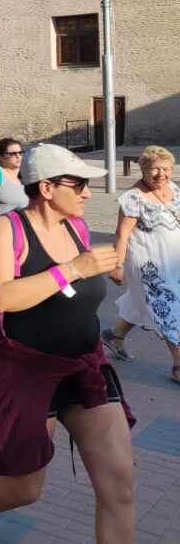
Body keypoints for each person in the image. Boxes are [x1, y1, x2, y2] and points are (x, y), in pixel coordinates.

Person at [0, 144, 131, 544]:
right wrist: (74, 269)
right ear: (46, 187)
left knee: (120, 486)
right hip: (31, 374)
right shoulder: (10, 228)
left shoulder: (77, 228)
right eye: (78, 185)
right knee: (24, 489)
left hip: (86, 370)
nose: (87, 193)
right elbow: (3, 297)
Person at [101, 145, 180, 381]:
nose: (161, 174)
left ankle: (115, 334)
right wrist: (117, 265)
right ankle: (178, 365)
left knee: (143, 303)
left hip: (173, 260)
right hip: (148, 264)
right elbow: (121, 234)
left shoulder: (173, 189)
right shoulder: (133, 198)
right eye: (154, 169)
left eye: (166, 169)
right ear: (143, 169)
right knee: (167, 307)